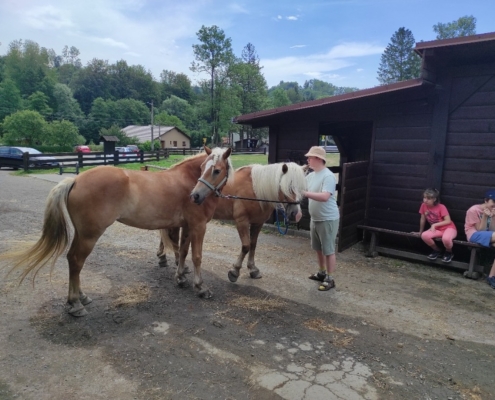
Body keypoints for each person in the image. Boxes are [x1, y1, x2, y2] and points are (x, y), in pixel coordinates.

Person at [299, 146, 340, 291]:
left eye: (310, 157)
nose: (308, 160)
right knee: (318, 248)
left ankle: (330, 278)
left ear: (318, 159)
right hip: (315, 218)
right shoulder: (311, 175)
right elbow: (300, 186)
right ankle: (322, 272)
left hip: (328, 219)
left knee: (328, 250)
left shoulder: (328, 176)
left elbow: (324, 196)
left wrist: (305, 193)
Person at [416, 188, 457, 263]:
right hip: (437, 229)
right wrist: (420, 232)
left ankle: (449, 252)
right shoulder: (423, 206)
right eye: (424, 197)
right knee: (424, 235)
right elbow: (422, 219)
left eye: (428, 198)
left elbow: (448, 221)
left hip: (449, 228)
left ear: (434, 199)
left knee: (446, 238)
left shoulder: (441, 207)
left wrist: (434, 225)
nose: (425, 200)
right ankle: (437, 250)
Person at [465, 189, 495, 289]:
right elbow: (480, 230)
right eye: (493, 202)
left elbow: (491, 230)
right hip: (474, 235)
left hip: (488, 236)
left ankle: (491, 276)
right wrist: (485, 217)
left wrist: (494, 217)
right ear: (486, 201)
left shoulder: (493, 210)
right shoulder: (474, 210)